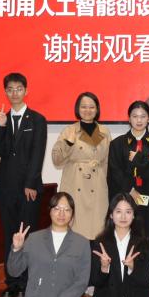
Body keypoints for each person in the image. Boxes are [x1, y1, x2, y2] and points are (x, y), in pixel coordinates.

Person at [0, 71, 48, 297]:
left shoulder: (37, 120)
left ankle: (26, 282)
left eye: (19, 89)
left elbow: (37, 153)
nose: (14, 93)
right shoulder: (1, 119)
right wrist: (1, 127)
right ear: (5, 92)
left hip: (28, 188)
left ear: (26, 91)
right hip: (6, 187)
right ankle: (12, 283)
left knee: (27, 235)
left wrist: (31, 183)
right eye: (10, 89)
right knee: (9, 235)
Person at [51, 92, 110, 240]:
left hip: (98, 187)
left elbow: (108, 162)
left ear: (97, 109)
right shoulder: (69, 131)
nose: (87, 110)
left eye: (91, 107)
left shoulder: (104, 131)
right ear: (77, 108)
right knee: (74, 231)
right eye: (83, 106)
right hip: (75, 184)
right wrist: (68, 143)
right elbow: (57, 160)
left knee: (97, 231)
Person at [108, 100, 149, 240]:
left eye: (143, 116)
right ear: (129, 119)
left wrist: (139, 159)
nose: (139, 120)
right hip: (125, 197)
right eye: (135, 116)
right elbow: (115, 172)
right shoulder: (117, 144)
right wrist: (130, 190)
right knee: (126, 237)